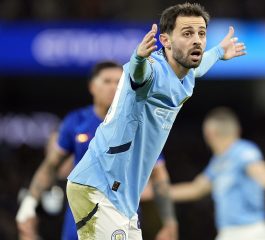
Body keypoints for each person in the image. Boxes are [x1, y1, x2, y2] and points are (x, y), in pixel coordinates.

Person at [66, 2, 246, 240]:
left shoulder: (186, 71)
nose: (197, 41)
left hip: (124, 196)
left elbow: (200, 65)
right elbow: (139, 75)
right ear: (165, 41)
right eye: (187, 33)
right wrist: (139, 58)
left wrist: (220, 52)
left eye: (201, 34)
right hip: (99, 186)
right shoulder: (152, 69)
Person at [16, 61, 177, 240]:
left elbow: (159, 175)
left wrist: (169, 221)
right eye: (107, 81)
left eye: (119, 82)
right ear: (92, 86)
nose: (114, 87)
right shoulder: (76, 122)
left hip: (122, 218)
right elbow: (51, 166)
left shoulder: (140, 126)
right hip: (81, 218)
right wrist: (29, 204)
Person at [170, 107, 265, 240]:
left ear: (209, 134)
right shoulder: (218, 162)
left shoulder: (243, 151)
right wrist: (156, 191)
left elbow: (262, 173)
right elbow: (195, 189)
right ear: (237, 130)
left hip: (249, 232)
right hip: (229, 233)